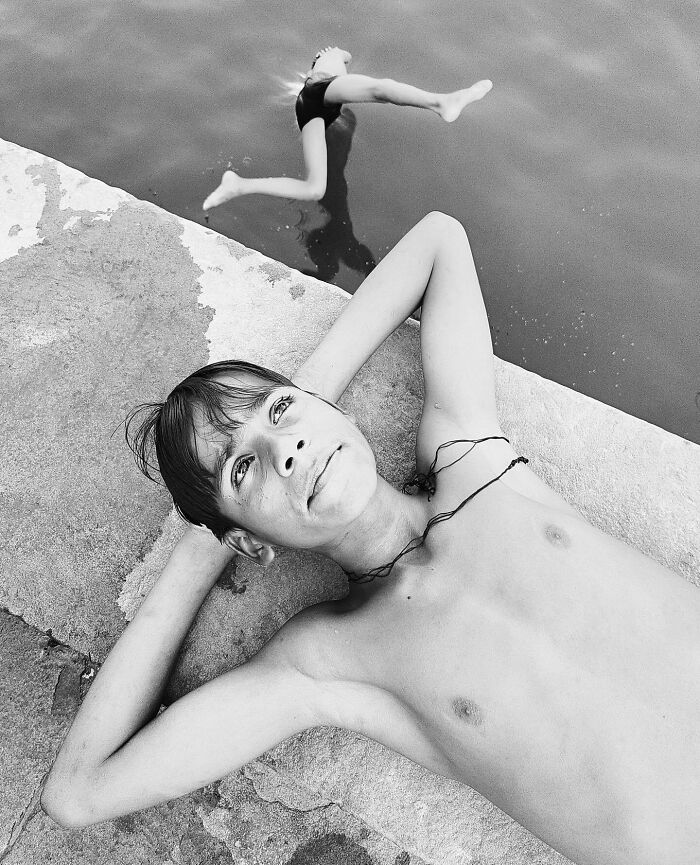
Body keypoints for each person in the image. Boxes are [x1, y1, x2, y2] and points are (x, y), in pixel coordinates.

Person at [41, 213, 700, 865]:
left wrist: (305, 405)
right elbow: (79, 792)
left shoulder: (475, 463)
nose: (287, 451)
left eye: (280, 414)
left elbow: (442, 238)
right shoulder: (329, 660)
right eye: (244, 469)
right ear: (250, 544)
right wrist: (199, 549)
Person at [202, 47, 492, 209]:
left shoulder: (319, 78)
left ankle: (240, 185)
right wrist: (335, 54)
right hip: (319, 95)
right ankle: (442, 102)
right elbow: (347, 55)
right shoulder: (331, 57)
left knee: (315, 188)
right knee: (381, 89)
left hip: (310, 110)